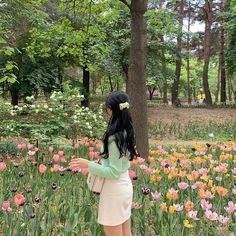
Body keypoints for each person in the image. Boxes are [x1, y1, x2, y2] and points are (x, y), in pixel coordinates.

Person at [69, 91, 138, 236]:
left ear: (111, 109)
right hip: (125, 186)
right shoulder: (126, 132)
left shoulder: (114, 139)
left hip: (114, 191)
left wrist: (88, 164)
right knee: (127, 233)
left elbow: (113, 172)